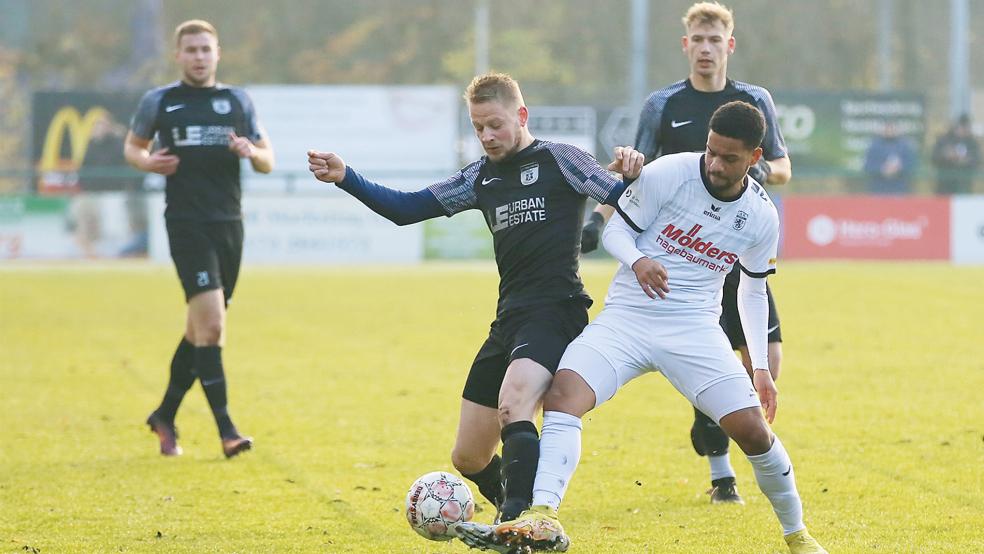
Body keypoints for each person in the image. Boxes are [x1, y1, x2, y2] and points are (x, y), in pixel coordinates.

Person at [307, 71, 642, 535]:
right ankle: (516, 508)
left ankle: (518, 520)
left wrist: (632, 172)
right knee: (468, 456)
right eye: (478, 127)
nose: (486, 135)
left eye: (495, 125)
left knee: (515, 402)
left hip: (556, 309)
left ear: (521, 116)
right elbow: (406, 210)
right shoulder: (479, 178)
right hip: (509, 319)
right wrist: (347, 177)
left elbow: (630, 200)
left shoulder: (561, 160)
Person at [487, 101, 825, 554]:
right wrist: (639, 260)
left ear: (755, 158)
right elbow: (615, 233)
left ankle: (797, 535)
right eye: (711, 151)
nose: (715, 164)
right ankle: (543, 513)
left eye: (729, 158)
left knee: (754, 432)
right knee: (564, 395)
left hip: (694, 330)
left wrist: (760, 366)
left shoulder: (762, 216)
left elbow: (752, 289)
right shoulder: (671, 172)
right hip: (628, 319)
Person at [580, 0, 790, 505]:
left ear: (729, 46)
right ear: (686, 45)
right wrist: (598, 222)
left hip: (732, 245)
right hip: (680, 258)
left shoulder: (753, 102)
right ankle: (722, 474)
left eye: (715, 40)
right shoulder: (663, 105)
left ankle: (724, 428)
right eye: (697, 39)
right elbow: (635, 177)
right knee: (708, 358)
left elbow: (782, 168)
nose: (705, 48)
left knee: (769, 361)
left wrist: (759, 175)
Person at [124, 19, 274, 458]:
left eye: (205, 49)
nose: (198, 56)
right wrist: (147, 161)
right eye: (190, 50)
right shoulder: (161, 101)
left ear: (217, 53)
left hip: (229, 224)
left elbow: (267, 158)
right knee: (211, 325)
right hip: (186, 224)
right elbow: (132, 147)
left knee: (199, 328)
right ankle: (227, 430)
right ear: (178, 55)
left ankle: (165, 414)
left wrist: (251, 152)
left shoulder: (237, 101)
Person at [862, 121, 917, 195]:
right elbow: (867, 166)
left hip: (900, 189)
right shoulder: (874, 145)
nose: (890, 131)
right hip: (878, 190)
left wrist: (899, 168)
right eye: (887, 128)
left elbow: (912, 165)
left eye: (892, 128)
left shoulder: (905, 146)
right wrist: (882, 169)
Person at [931, 114, 980, 195]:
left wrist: (967, 160)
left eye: (966, 127)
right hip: (944, 186)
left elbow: (977, 160)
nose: (964, 130)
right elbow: (934, 158)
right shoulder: (944, 139)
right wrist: (946, 156)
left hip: (964, 185)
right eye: (961, 127)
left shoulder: (972, 142)